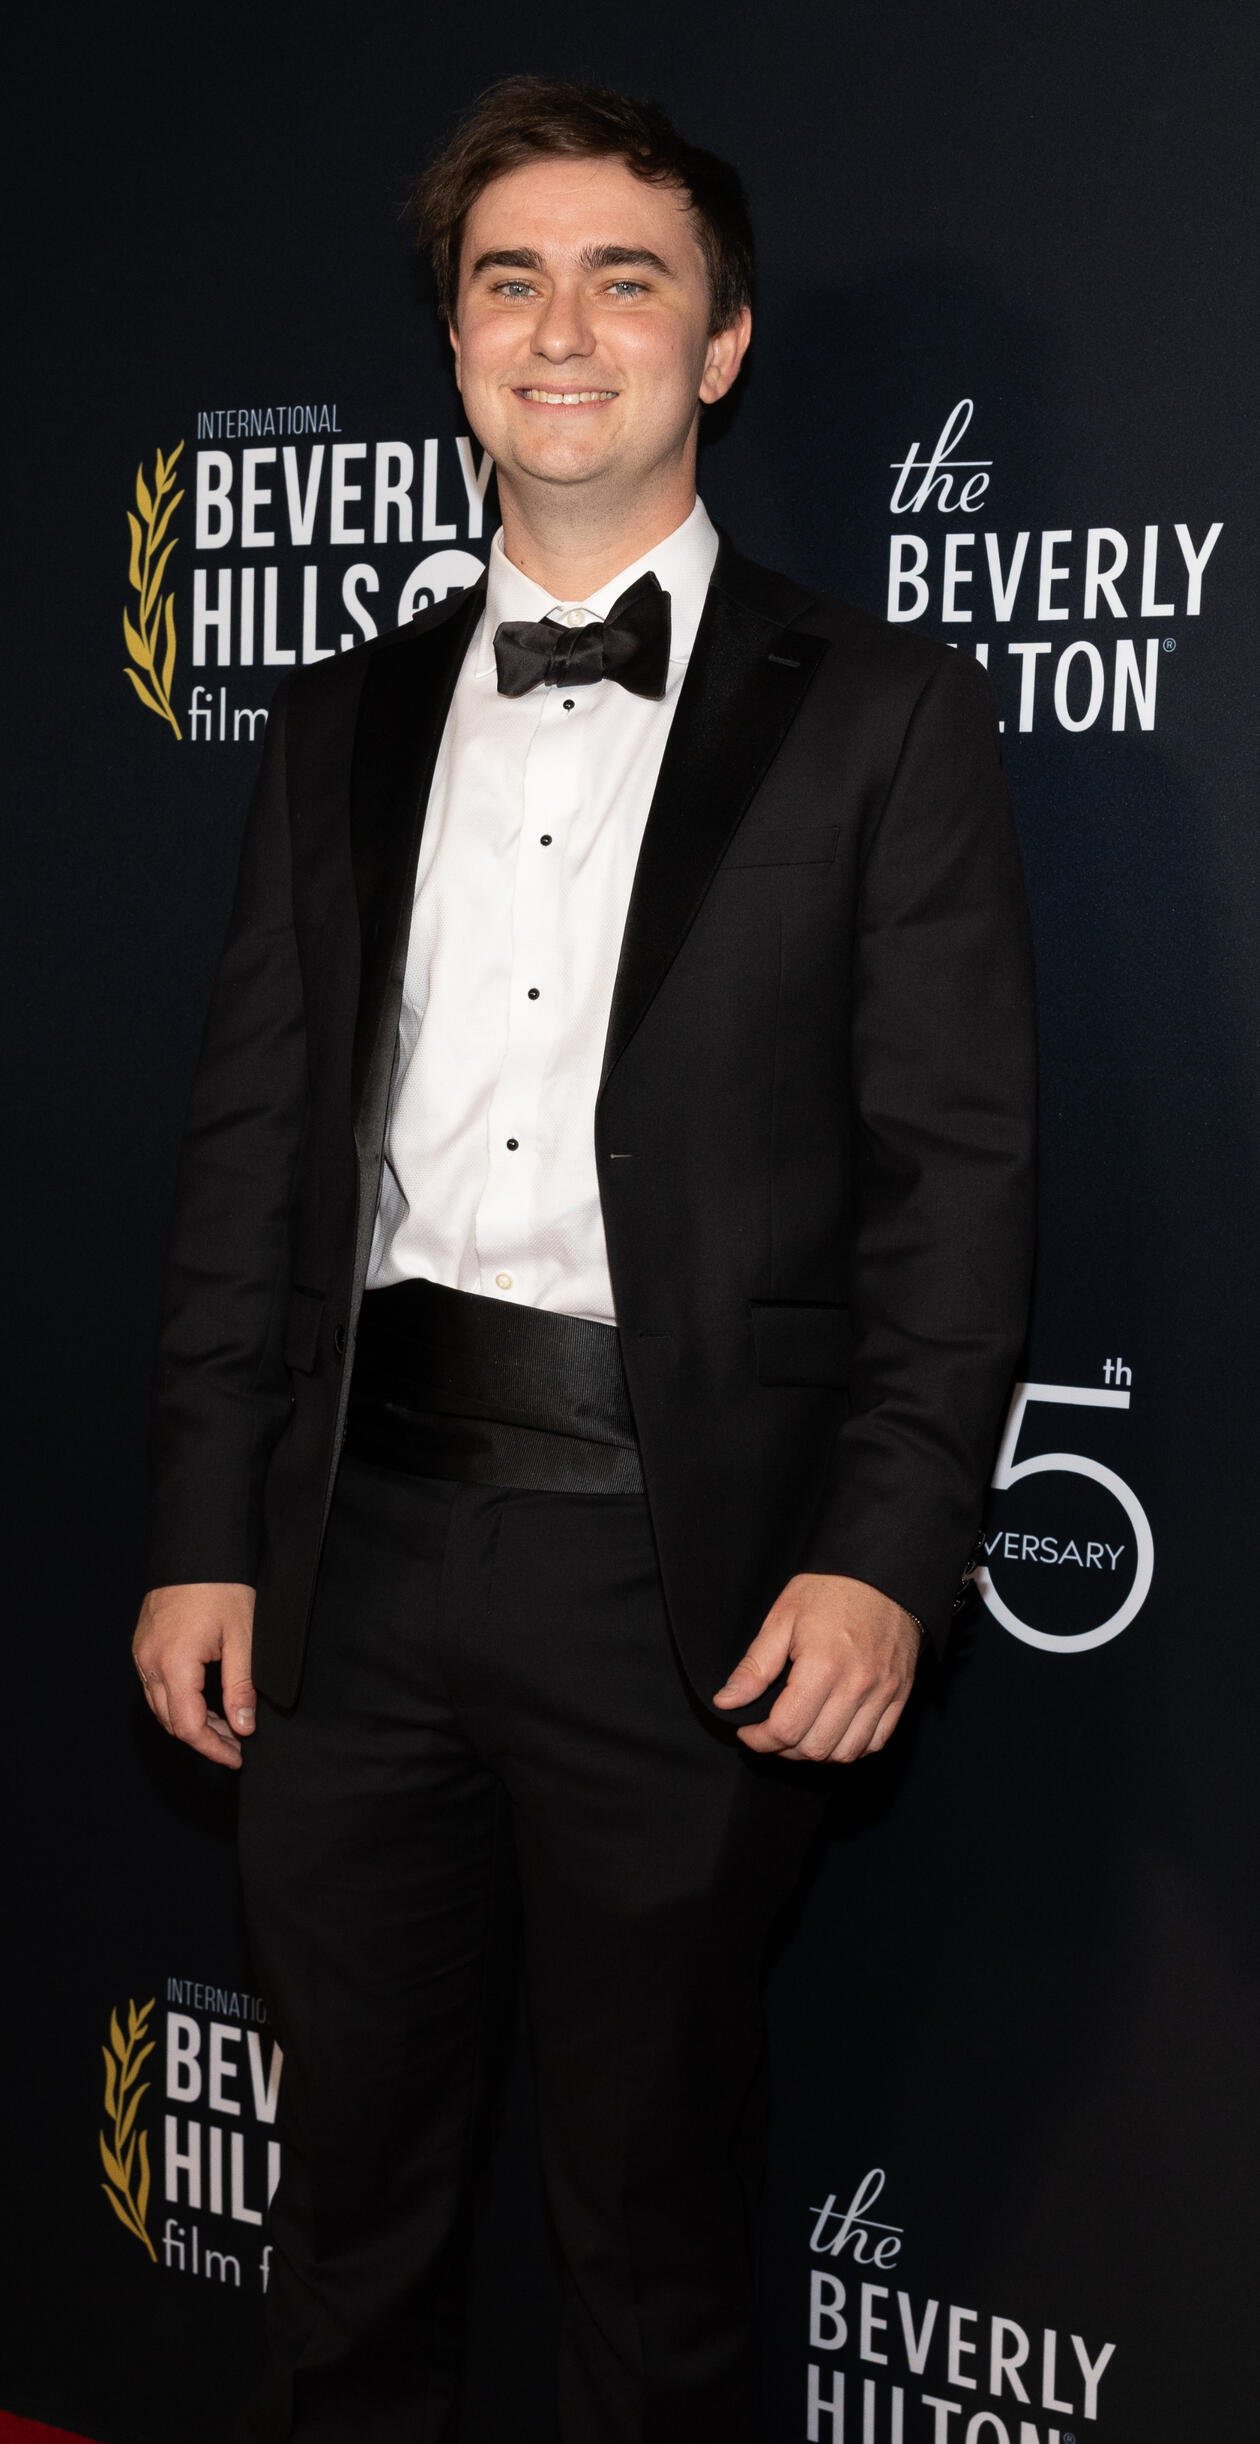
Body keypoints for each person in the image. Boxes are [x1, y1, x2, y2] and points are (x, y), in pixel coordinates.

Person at [131, 75, 1036, 2444]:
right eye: (507, 281)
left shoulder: (883, 715)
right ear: (450, 344)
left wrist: (889, 1554)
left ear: (718, 343)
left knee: (654, 2248)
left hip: (684, 1582)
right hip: (347, 1574)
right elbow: (250, 1152)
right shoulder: (334, 722)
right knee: (349, 2229)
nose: (561, 330)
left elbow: (957, 1180)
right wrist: (205, 1527)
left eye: (625, 281)